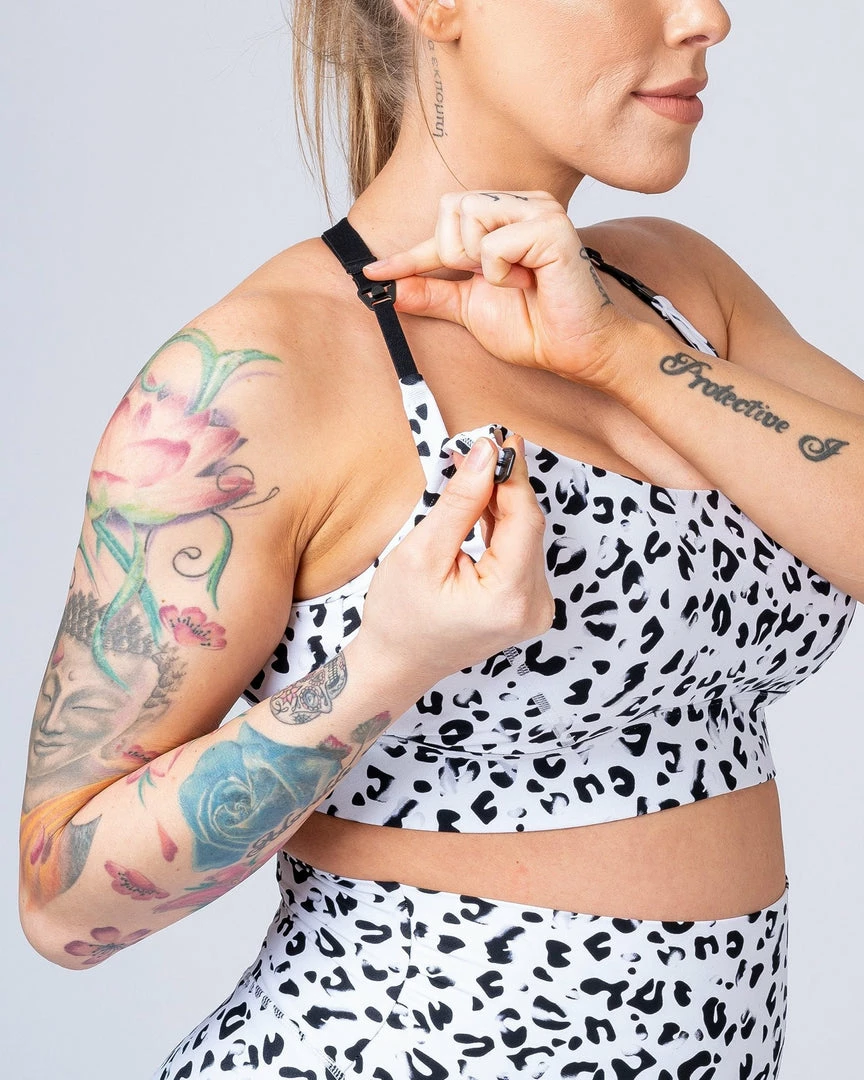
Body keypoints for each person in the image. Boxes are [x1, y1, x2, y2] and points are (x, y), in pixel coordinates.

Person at [18, 0, 864, 1076]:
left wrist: (620, 354)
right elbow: (60, 903)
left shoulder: (678, 294)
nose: (707, 17)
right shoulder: (251, 380)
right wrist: (384, 663)